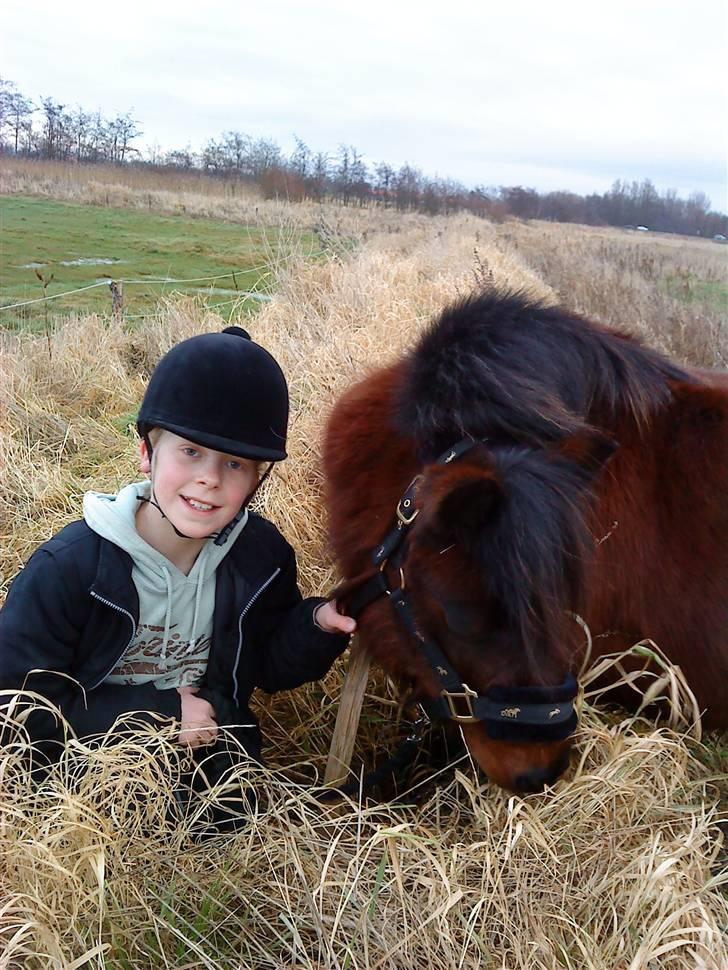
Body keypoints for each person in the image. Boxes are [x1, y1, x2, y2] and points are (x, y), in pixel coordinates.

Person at [0, 326, 355, 829]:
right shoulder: (70, 568)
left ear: (258, 479)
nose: (210, 478)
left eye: (235, 463)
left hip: (215, 780)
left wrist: (317, 623)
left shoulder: (261, 556)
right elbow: (17, 709)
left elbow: (267, 666)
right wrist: (161, 716)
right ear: (148, 453)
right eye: (189, 452)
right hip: (79, 789)